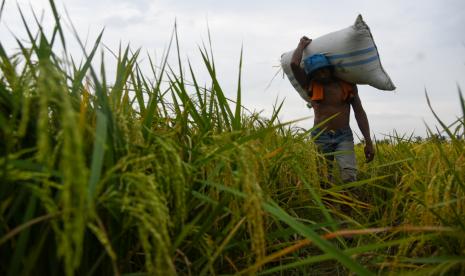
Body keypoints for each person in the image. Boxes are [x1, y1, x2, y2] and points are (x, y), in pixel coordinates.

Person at [290, 36, 375, 183]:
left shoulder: (347, 86)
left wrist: (368, 141)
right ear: (312, 74)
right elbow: (293, 64)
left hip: (344, 135)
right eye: (317, 72)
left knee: (349, 175)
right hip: (320, 135)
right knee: (323, 178)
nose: (321, 74)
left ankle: (348, 205)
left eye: (324, 70)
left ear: (330, 69)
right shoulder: (310, 85)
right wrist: (301, 45)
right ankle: (328, 204)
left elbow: (359, 112)